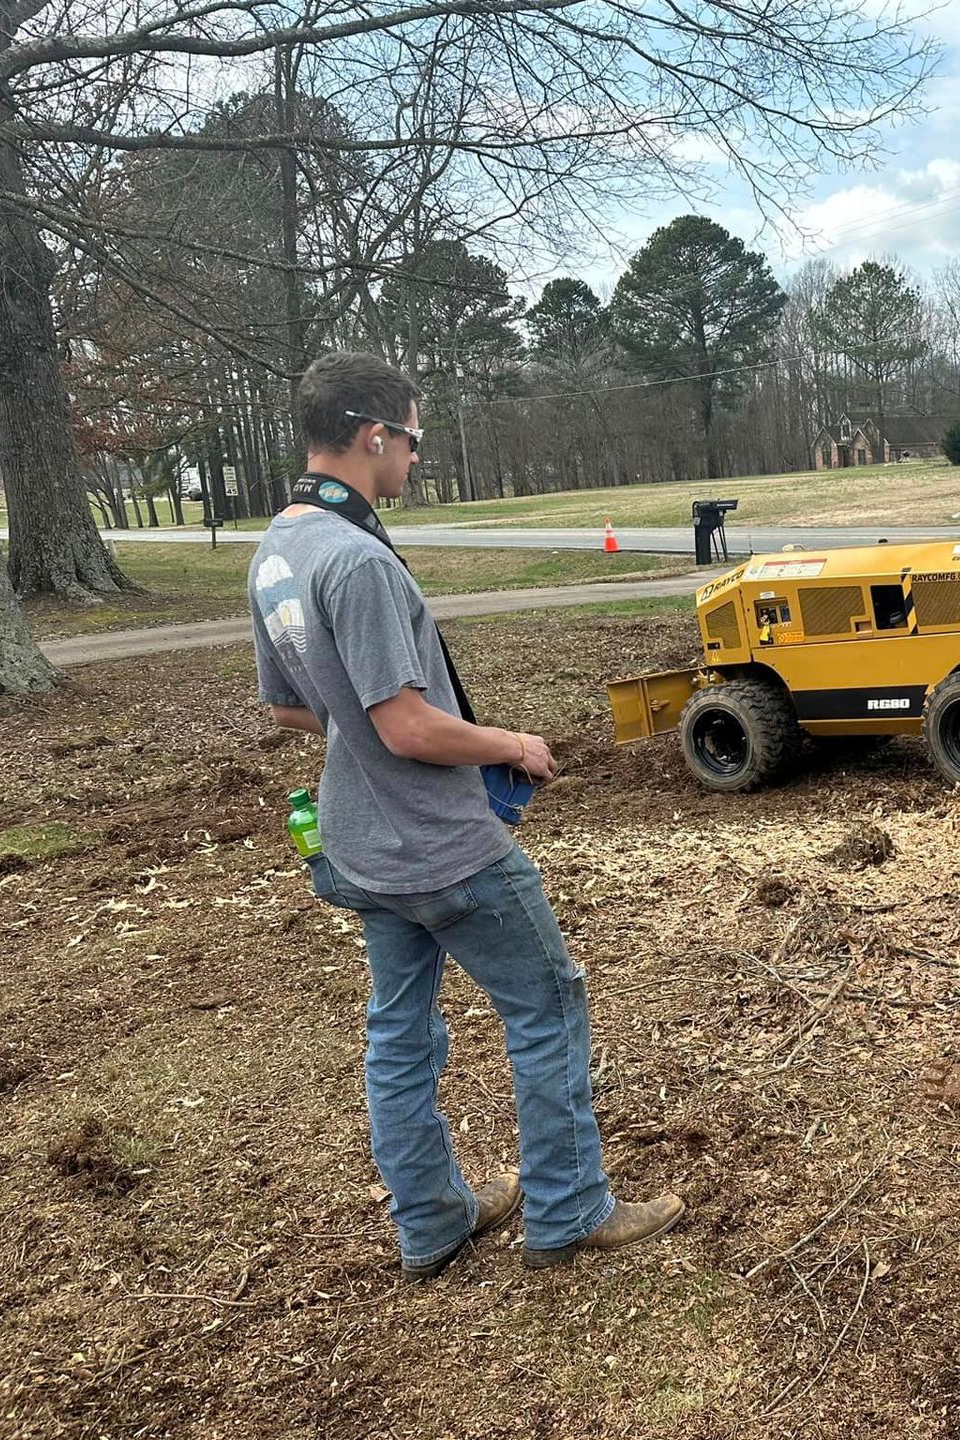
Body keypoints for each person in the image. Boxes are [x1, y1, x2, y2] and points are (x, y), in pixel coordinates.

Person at [247, 351, 682, 1277]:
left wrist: (358, 721)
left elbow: (291, 707)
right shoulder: (358, 561)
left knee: (399, 1030)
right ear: (375, 436)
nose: (415, 458)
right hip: (442, 848)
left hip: (361, 847)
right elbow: (405, 726)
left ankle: (433, 1220)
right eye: (412, 438)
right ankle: (568, 1211)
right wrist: (511, 745)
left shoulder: (279, 549)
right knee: (548, 1002)